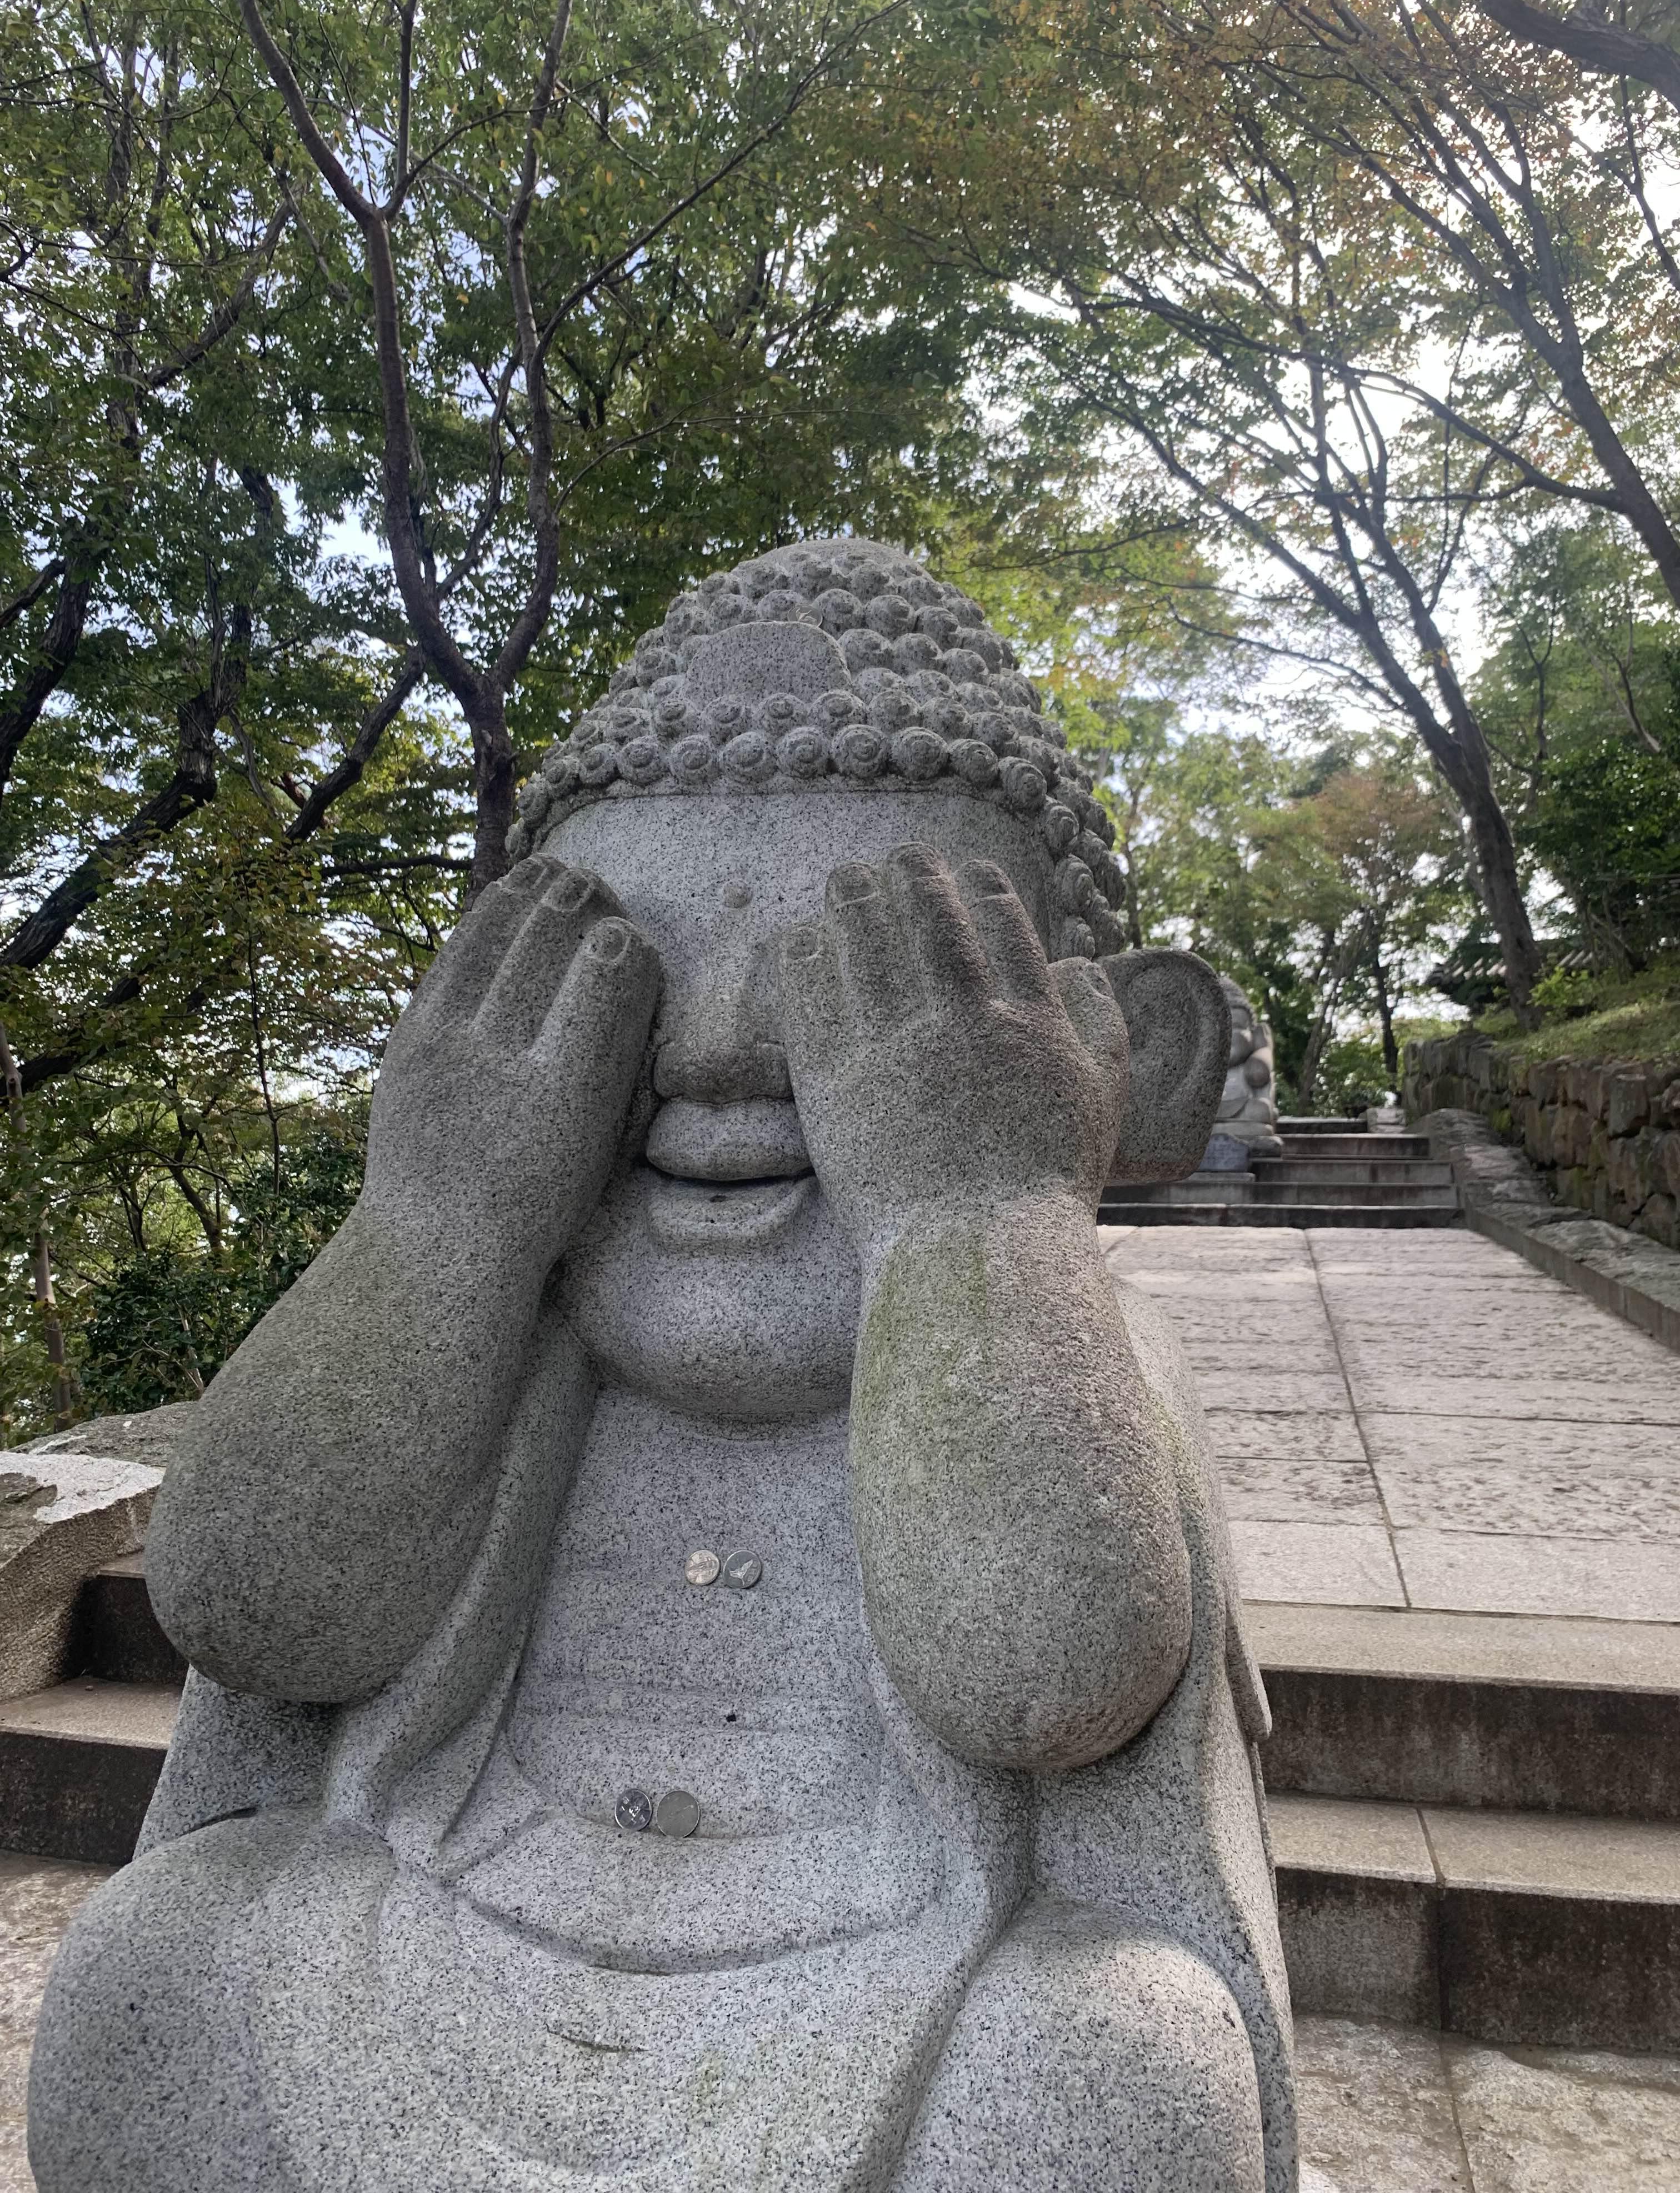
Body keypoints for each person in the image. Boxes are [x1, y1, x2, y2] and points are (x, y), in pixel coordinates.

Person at [29, 540, 1296, 2192]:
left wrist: (973, 1211)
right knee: (158, 1969)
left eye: (871, 976)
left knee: (1119, 2073)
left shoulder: (1047, 1344)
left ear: (1126, 1059)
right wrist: (440, 1218)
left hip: (915, 1970)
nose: (711, 1047)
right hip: (435, 1912)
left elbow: (1041, 1681)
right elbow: (249, 1605)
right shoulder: (498, 1316)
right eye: (620, 976)